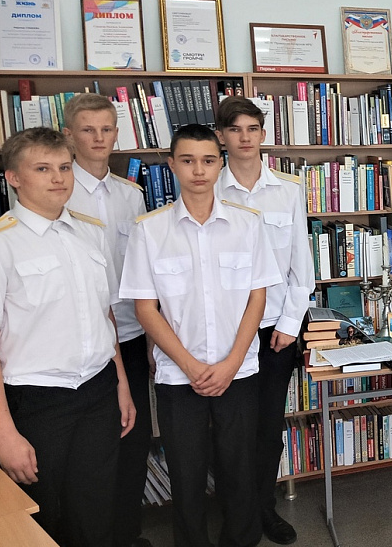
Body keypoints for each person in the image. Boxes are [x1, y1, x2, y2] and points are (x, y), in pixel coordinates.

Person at [119, 125, 281, 547]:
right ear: (172, 165)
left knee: (239, 468)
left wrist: (231, 362)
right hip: (178, 375)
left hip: (238, 370)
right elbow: (145, 308)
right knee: (186, 474)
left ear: (219, 164)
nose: (198, 170)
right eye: (187, 161)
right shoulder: (149, 230)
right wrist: (190, 366)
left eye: (208, 161)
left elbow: (258, 298)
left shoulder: (247, 224)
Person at [0, 127, 135, 546]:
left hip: (97, 390)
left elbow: (104, 315)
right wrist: (4, 435)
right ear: (13, 178)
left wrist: (122, 385)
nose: (58, 178)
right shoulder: (4, 244)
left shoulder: (89, 232)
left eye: (64, 167)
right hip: (36, 400)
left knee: (95, 508)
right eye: (42, 169)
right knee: (41, 516)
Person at [214, 96, 315, 545]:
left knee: (268, 427)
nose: (245, 137)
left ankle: (264, 510)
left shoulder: (287, 190)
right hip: (227, 331)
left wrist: (290, 323)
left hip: (275, 329)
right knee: (231, 430)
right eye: (235, 129)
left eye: (252, 128)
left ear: (263, 133)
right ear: (221, 136)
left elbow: (301, 265)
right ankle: (236, 515)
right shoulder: (209, 188)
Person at [62, 93, 154, 547]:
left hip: (132, 334)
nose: (98, 138)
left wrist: (153, 340)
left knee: (134, 440)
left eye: (106, 129)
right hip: (81, 341)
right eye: (87, 129)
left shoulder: (130, 195)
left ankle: (127, 534)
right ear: (68, 135)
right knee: (91, 449)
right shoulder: (58, 191)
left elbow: (145, 271)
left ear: (117, 134)